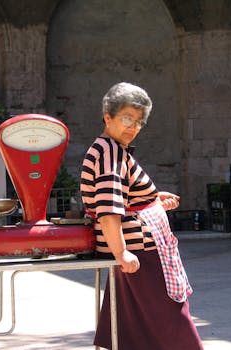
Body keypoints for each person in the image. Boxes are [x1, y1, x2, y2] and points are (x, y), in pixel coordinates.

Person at [80, 82, 204, 350]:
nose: (133, 127)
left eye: (138, 122)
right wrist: (122, 253)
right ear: (107, 117)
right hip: (138, 254)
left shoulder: (112, 150)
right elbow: (108, 208)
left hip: (136, 252)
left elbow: (122, 197)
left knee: (136, 334)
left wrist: (151, 199)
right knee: (175, 327)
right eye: (126, 118)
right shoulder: (109, 153)